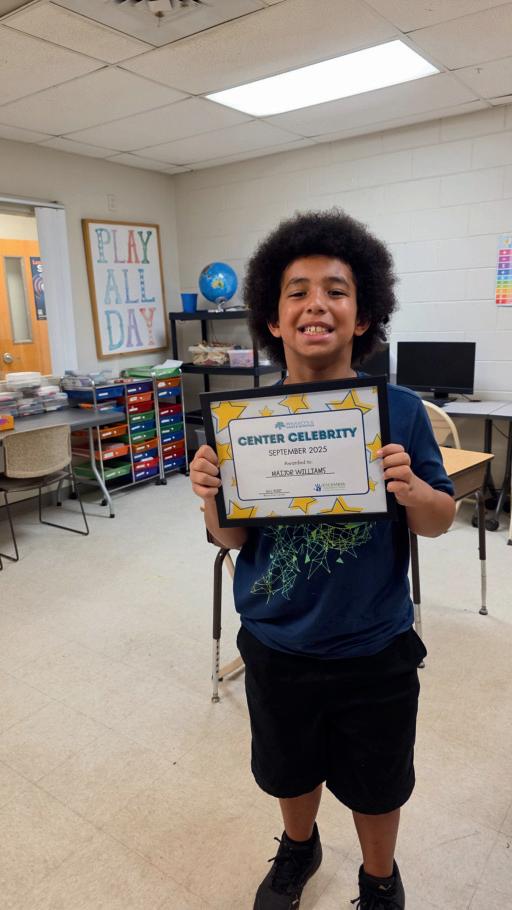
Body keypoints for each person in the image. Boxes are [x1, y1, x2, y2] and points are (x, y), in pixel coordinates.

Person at [190, 209, 455, 910]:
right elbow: (231, 541)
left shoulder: (399, 410)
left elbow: (439, 521)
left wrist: (413, 490)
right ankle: (299, 847)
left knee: (379, 781)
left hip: (374, 643)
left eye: (336, 290)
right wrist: (211, 498)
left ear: (363, 315)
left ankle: (379, 877)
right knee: (288, 768)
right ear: (272, 320)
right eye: (297, 292)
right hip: (277, 642)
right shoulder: (244, 422)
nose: (316, 304)